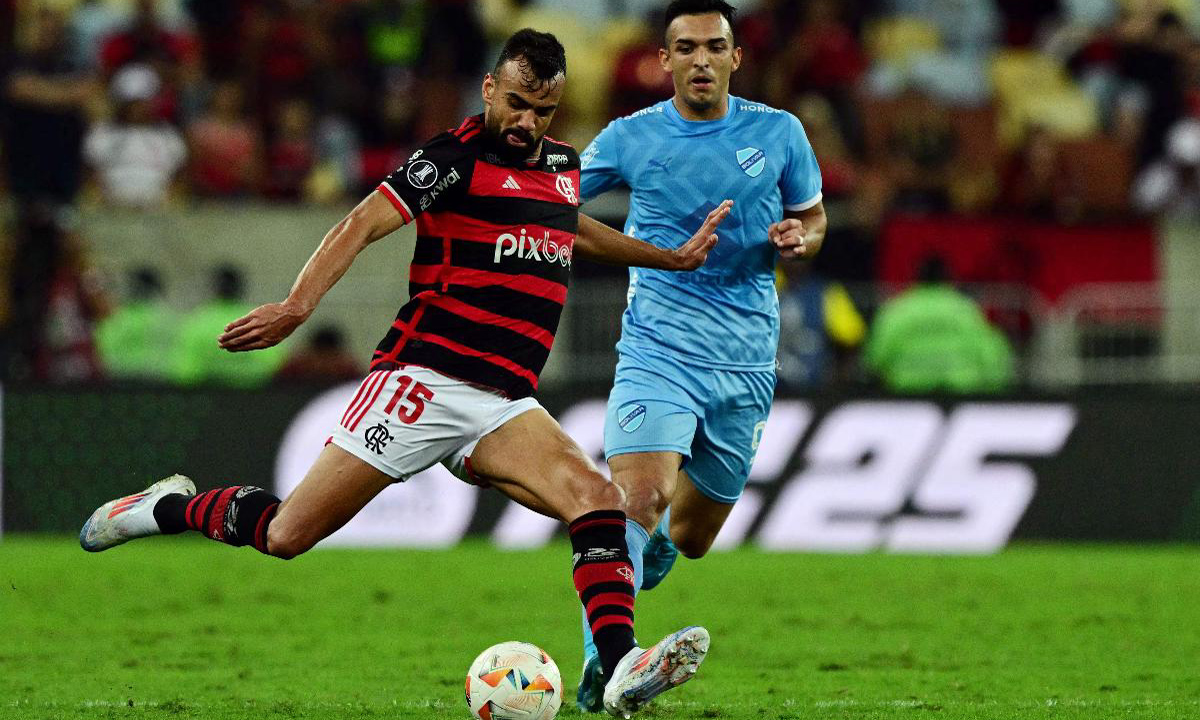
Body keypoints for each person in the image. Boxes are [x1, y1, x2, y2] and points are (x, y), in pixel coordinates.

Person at [79, 29, 731, 719]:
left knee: (598, 502)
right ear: (488, 88)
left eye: (542, 111)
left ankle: (622, 664)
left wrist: (669, 258)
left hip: (505, 400)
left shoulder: (562, 166)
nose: (526, 123)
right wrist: (298, 305)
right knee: (284, 536)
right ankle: (164, 507)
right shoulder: (451, 158)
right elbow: (361, 222)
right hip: (422, 381)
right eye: (515, 104)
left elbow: (569, 225)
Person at [573, 0, 826, 710]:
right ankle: (610, 661)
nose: (701, 60)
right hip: (658, 348)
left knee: (689, 534)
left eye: (715, 46)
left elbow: (813, 216)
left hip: (745, 360)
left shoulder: (779, 133)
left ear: (736, 57)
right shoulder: (628, 138)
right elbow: (553, 203)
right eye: (685, 47)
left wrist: (801, 239)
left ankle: (640, 558)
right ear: (665, 60)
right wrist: (642, 254)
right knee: (639, 495)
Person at [865, 255, 1014, 394]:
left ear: (915, 279)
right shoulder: (966, 311)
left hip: (906, 397)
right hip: (960, 397)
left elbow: (875, 358)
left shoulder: (896, 311)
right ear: (950, 280)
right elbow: (992, 359)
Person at [170, 265, 286, 388]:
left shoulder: (197, 322)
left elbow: (185, 372)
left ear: (214, 289)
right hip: (251, 398)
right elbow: (273, 365)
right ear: (240, 288)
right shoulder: (258, 321)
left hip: (207, 398)